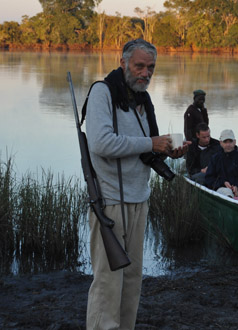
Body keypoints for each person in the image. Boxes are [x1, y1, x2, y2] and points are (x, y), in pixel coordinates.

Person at [85, 38, 188, 329]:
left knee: (132, 281)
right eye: (140, 66)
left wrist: (169, 150)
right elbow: (101, 142)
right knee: (107, 282)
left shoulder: (142, 101)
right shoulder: (102, 93)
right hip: (109, 202)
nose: (145, 73)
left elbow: (145, 150)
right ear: (123, 63)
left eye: (151, 67)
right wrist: (151, 142)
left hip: (139, 197)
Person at [205, 129, 238, 198]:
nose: (228, 144)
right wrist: (223, 183)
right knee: (227, 193)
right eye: (225, 142)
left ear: (234, 142)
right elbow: (209, 179)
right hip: (221, 188)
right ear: (221, 143)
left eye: (230, 141)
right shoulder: (215, 159)